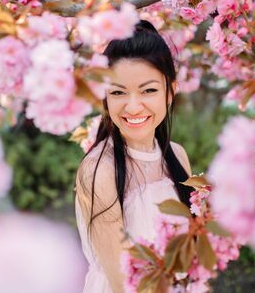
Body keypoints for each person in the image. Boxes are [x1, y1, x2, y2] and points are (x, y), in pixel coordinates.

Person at [74, 20, 195, 293]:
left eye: (148, 90)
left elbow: (195, 240)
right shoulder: (100, 172)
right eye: (117, 92)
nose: (132, 106)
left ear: (170, 92)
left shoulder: (177, 155)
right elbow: (124, 284)